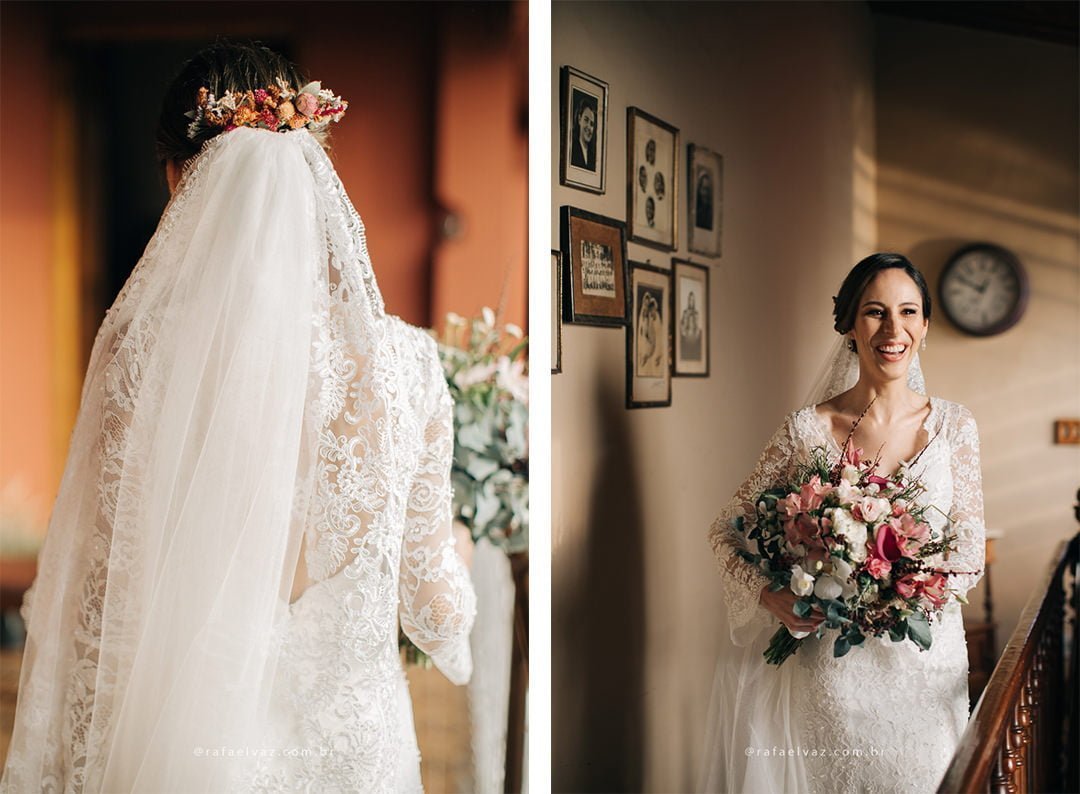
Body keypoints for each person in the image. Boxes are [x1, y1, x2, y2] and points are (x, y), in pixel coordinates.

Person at [1, 42, 476, 793]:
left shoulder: (141, 360)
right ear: (316, 171)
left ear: (175, 179)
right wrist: (458, 550)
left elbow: (100, 614)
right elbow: (436, 618)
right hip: (354, 766)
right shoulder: (408, 369)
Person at [699, 253, 985, 793]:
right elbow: (724, 531)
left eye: (908, 312)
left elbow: (968, 551)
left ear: (924, 325)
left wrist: (903, 595)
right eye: (875, 312)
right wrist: (769, 595)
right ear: (850, 326)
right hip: (834, 672)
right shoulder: (806, 431)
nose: (892, 329)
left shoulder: (956, 427)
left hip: (925, 666)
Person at [570, 92, 597, 171]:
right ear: (579, 119)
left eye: (592, 124)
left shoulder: (593, 157)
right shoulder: (572, 148)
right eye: (586, 120)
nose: (589, 127)